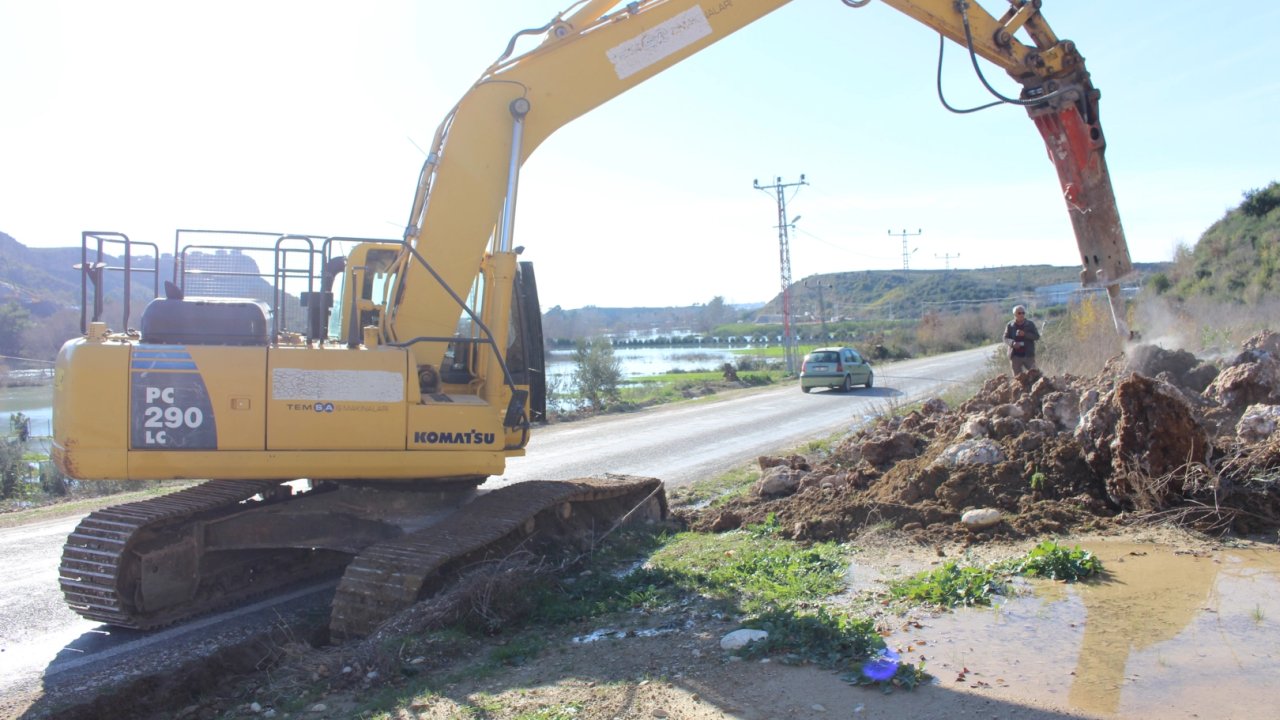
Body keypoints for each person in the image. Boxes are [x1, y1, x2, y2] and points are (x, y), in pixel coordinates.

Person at [1004, 305, 1040, 375]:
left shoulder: (1030, 324)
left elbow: (1037, 336)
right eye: (1019, 313)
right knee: (1017, 378)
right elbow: (1005, 338)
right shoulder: (1010, 325)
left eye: (1023, 313)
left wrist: (1025, 334)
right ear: (1014, 314)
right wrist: (1012, 343)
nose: (1022, 315)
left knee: (1035, 375)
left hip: (1028, 355)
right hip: (1015, 356)